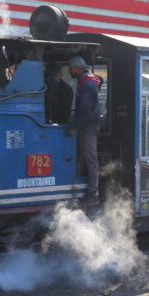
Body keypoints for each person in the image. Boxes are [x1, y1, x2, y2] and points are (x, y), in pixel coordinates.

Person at [67, 55, 102, 206]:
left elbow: (85, 110)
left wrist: (75, 127)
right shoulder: (91, 80)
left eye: (70, 69)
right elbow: (101, 79)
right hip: (90, 124)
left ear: (76, 68)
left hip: (88, 126)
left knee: (91, 160)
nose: (70, 72)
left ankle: (92, 195)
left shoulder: (86, 84)